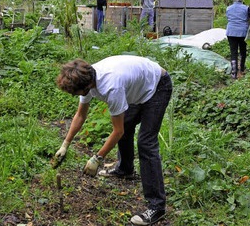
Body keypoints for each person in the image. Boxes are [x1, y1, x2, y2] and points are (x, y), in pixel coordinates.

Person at [54, 55, 173, 225]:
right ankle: (125, 169)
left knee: (146, 143)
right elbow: (80, 115)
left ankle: (157, 207)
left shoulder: (111, 86)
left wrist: (97, 158)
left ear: (87, 86)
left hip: (157, 87)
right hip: (138, 88)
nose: (76, 96)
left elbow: (118, 132)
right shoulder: (86, 77)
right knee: (126, 122)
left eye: (76, 93)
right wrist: (65, 144)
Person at [225, 0, 250, 79]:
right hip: (242, 32)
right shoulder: (246, 8)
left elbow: (228, 18)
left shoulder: (228, 8)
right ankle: (242, 69)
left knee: (233, 52)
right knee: (243, 51)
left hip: (231, 32)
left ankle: (233, 73)